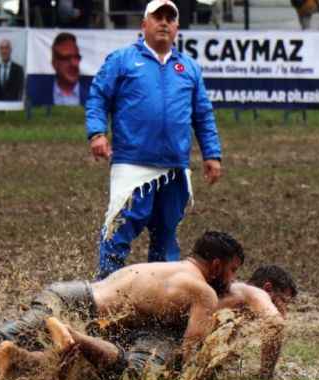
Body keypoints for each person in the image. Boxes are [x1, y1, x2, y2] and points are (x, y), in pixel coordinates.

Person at [0, 231, 244, 380]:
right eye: (231, 270)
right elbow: (193, 354)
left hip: (70, 295)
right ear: (216, 264)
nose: (230, 279)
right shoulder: (204, 294)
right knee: (121, 371)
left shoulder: (167, 268)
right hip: (79, 310)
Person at [0, 264, 297, 380]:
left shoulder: (233, 308)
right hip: (157, 333)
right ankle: (70, 334)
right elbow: (274, 325)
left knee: (89, 372)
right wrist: (265, 374)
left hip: (140, 326)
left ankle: (14, 356)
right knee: (133, 379)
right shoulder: (252, 295)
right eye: (285, 301)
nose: (284, 310)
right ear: (268, 288)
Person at [86, 0, 223, 280]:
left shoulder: (189, 68)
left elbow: (203, 114)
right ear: (143, 25)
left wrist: (212, 154)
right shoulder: (122, 60)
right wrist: (97, 133)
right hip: (132, 163)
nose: (164, 23)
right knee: (118, 232)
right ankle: (104, 294)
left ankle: (160, 303)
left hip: (174, 167)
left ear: (176, 27)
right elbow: (98, 96)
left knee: (166, 237)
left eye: (169, 19)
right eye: (157, 17)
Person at [51, 32, 83, 106]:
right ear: (54, 63)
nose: (74, 64)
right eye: (66, 58)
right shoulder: (37, 93)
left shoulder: (93, 94)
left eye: (76, 57)